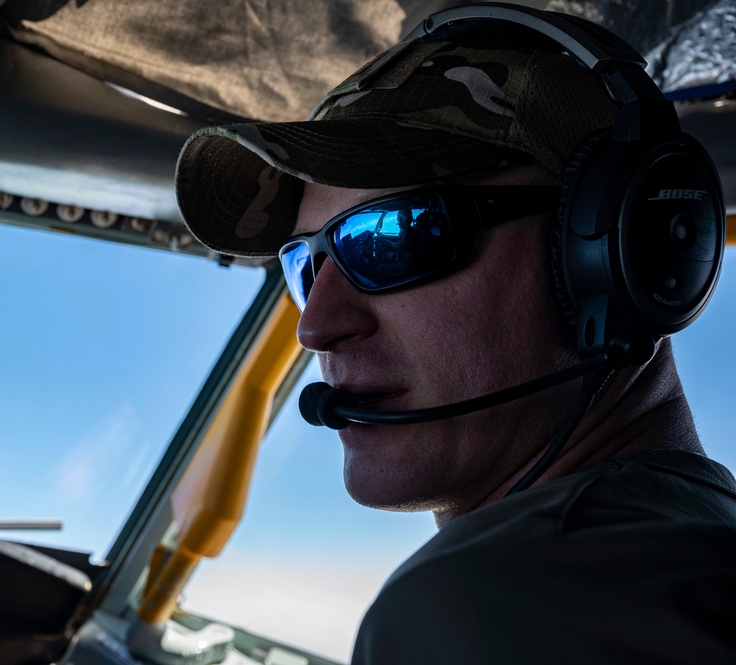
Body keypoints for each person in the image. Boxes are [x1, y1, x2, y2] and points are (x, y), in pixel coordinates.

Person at [174, 4, 736, 663]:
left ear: (612, 252)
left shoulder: (494, 605)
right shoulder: (689, 535)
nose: (316, 327)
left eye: (394, 235)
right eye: (305, 263)